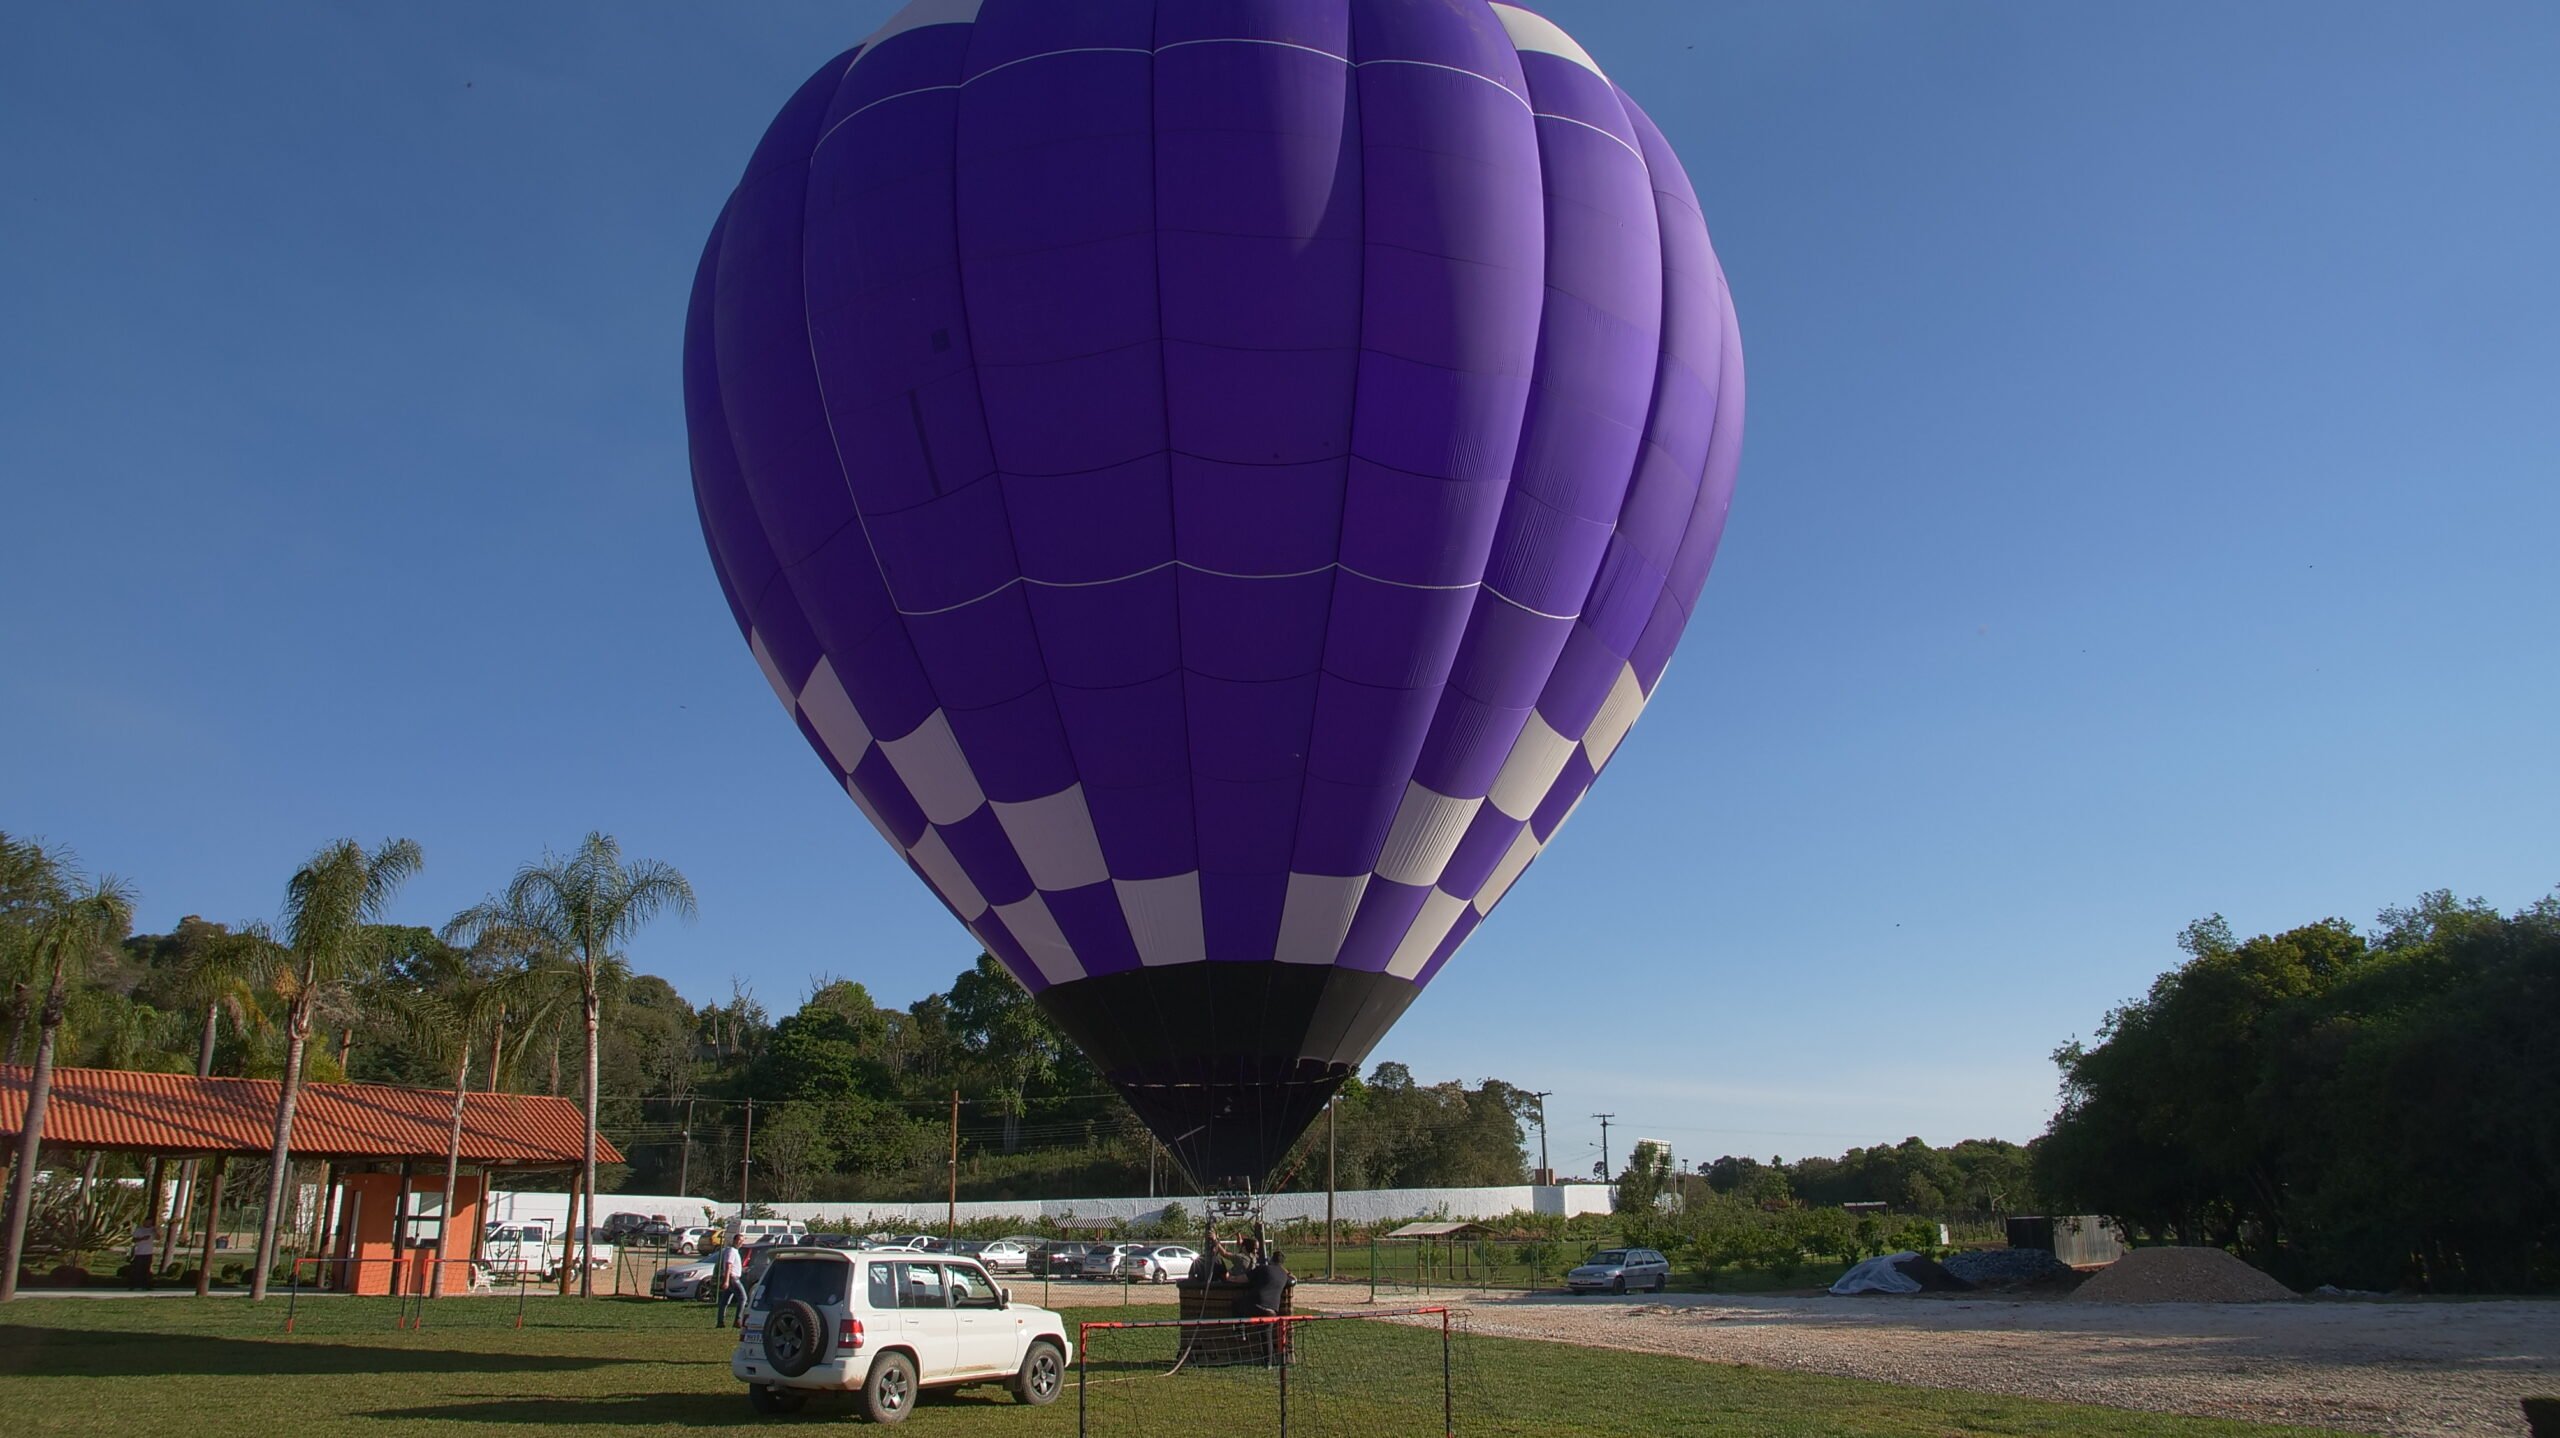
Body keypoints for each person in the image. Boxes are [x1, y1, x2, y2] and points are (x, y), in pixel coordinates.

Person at [1236, 1247, 1292, 1318]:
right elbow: (1294, 1279)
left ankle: (1239, 1328)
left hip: (1256, 1305)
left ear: (1271, 1259)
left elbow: (1243, 1278)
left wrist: (1229, 1278)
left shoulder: (1263, 1268)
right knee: (1266, 1329)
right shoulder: (1284, 1275)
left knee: (1237, 1304)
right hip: (1272, 1310)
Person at [714, 1235, 749, 1328]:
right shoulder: (731, 1251)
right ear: (734, 1240)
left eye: (742, 1240)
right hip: (733, 1278)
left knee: (725, 1301)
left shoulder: (734, 1251)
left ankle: (720, 1322)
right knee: (743, 1298)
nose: (740, 1242)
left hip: (732, 1277)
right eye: (739, 1240)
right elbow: (728, 1265)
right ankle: (738, 1320)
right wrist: (726, 1280)